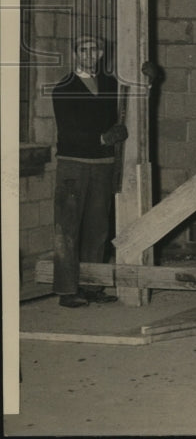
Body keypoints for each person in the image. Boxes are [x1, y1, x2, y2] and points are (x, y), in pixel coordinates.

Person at [52, 34, 127, 307]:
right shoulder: (64, 87)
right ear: (75, 53)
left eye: (95, 49)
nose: (90, 54)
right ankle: (67, 290)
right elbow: (68, 131)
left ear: (100, 53)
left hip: (102, 165)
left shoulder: (109, 83)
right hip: (73, 164)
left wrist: (115, 137)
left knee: (98, 228)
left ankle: (92, 286)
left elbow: (117, 117)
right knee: (68, 226)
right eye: (84, 49)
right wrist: (102, 139)